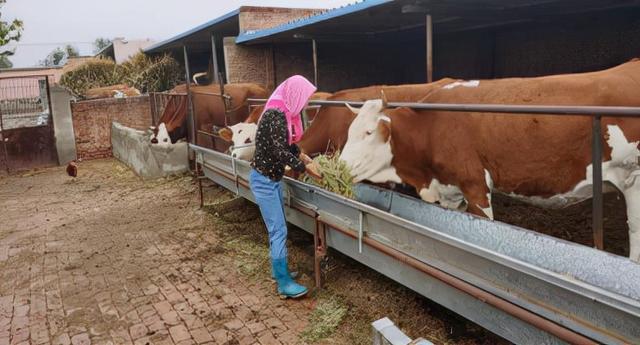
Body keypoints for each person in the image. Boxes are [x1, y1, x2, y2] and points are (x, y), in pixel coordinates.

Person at [249, 75, 322, 299]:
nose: (307, 104)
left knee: (278, 228)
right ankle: (283, 283)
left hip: (271, 180)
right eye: (306, 98)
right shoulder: (275, 115)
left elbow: (287, 145)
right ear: (295, 95)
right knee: (279, 229)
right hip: (264, 181)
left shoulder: (282, 114)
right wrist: (304, 168)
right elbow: (278, 151)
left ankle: (278, 271)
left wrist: (302, 155)